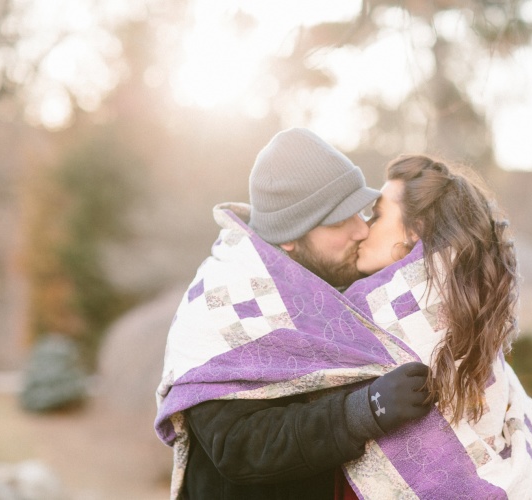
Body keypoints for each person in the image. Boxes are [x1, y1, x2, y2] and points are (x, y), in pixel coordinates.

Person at [154, 129, 432, 499]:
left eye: (359, 212)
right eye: (337, 222)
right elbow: (237, 446)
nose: (361, 230)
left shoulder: (331, 284)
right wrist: (365, 410)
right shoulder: (219, 309)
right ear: (289, 236)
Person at [342, 154, 532, 499]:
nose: (364, 228)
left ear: (414, 231)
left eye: (378, 214)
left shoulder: (375, 321)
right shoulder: (464, 316)